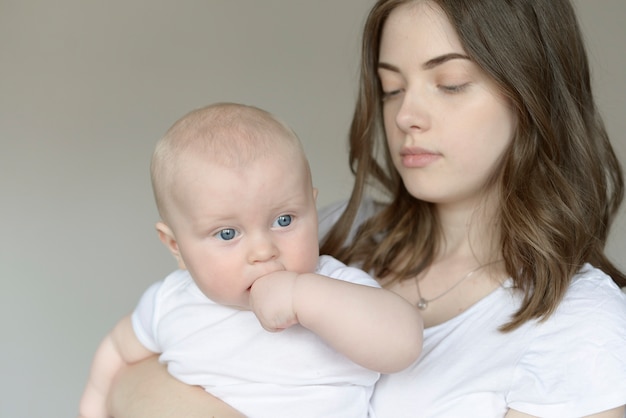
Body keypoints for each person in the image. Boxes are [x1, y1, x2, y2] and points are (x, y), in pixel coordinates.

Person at [107, 0, 626, 417]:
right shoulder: (324, 232)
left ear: (532, 92)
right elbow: (130, 379)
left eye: (450, 85)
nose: (407, 116)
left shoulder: (581, 326)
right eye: (391, 88)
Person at [78, 103, 424, 418]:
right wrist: (91, 407)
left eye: (284, 220)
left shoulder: (336, 287)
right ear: (175, 246)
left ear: (313, 210)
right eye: (228, 234)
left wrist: (303, 296)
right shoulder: (169, 302)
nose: (263, 251)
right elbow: (118, 350)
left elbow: (403, 344)